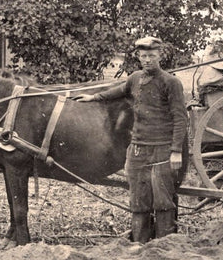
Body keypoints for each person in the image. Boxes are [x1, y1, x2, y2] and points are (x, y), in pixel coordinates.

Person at [78, 36, 187, 243]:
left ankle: (165, 247)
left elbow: (180, 118)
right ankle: (139, 246)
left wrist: (175, 151)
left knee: (163, 202)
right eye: (143, 56)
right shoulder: (135, 79)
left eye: (152, 56)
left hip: (162, 151)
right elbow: (116, 92)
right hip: (137, 150)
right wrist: (93, 98)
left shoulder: (170, 83)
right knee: (138, 201)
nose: (147, 60)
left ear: (159, 56)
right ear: (138, 57)